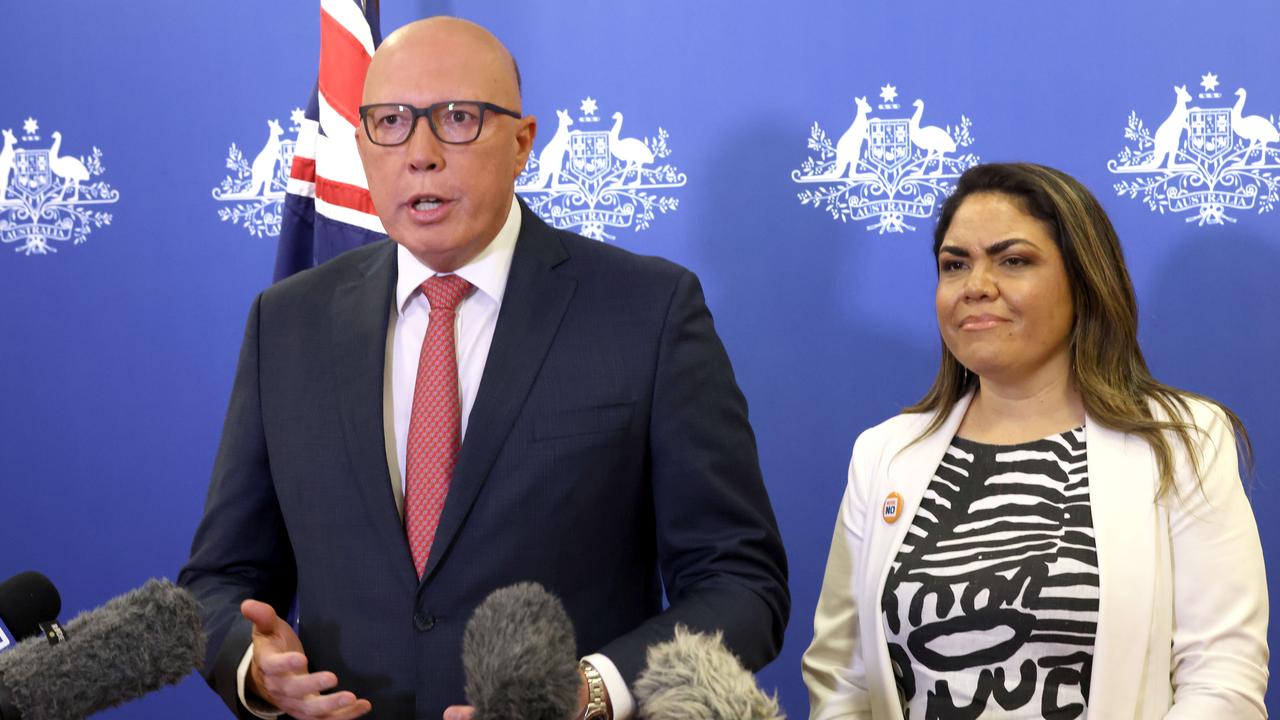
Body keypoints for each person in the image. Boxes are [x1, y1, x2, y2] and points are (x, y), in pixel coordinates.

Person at [179, 17, 788, 720]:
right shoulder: (286, 322)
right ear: (362, 146)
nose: (422, 154)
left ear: (523, 142)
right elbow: (218, 580)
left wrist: (587, 693)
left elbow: (740, 586)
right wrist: (257, 668)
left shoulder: (647, 312)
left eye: (459, 119)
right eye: (391, 123)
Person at [802, 162, 1268, 719]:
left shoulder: (1184, 440)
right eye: (955, 265)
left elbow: (1222, 678)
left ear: (1084, 279)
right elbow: (842, 679)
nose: (976, 287)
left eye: (1013, 261)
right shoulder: (882, 454)